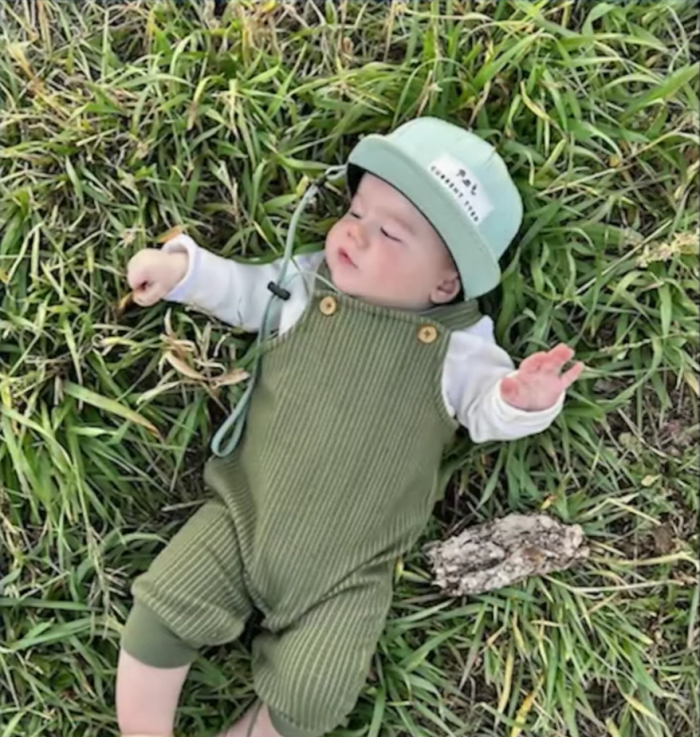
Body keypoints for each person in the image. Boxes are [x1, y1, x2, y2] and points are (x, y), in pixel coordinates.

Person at [118, 117, 583, 737]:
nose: (355, 235)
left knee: (313, 695)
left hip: (348, 574)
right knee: (161, 610)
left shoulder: (460, 351)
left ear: (446, 282)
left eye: (390, 232)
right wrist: (184, 272)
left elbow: (487, 412)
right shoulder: (308, 288)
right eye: (357, 212)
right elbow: (243, 289)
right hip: (244, 516)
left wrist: (525, 399)